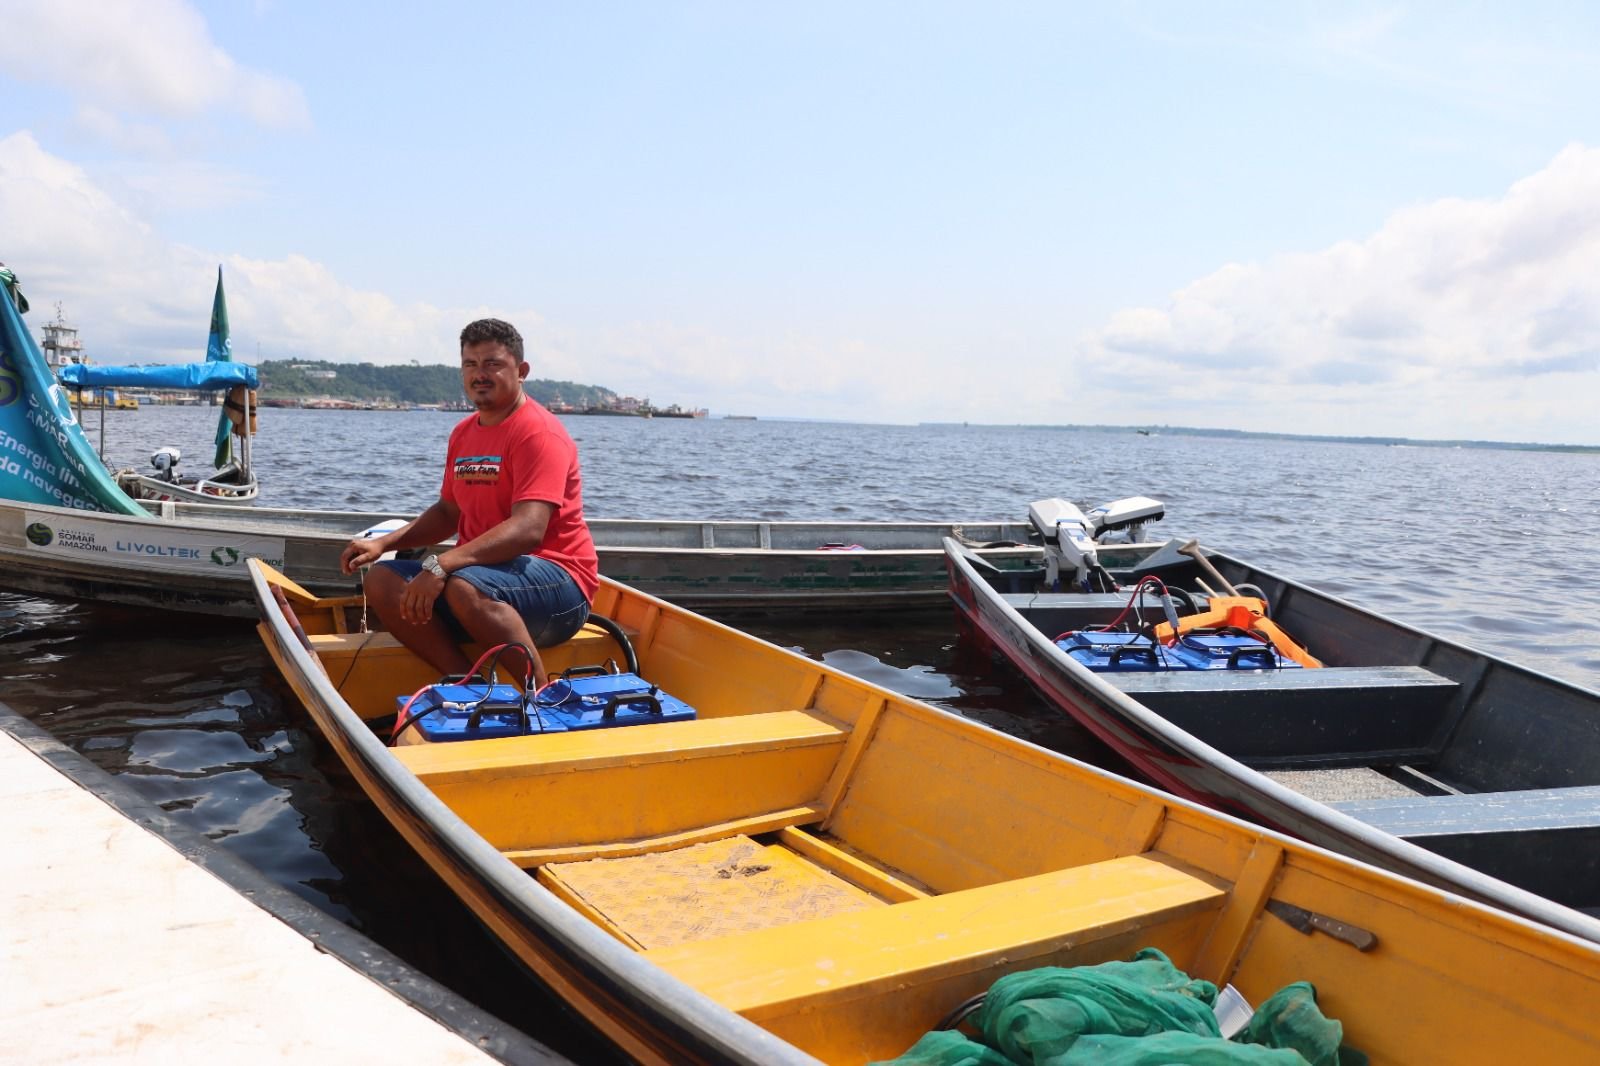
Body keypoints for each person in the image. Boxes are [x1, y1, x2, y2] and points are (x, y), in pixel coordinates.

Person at [340, 318, 598, 688]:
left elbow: (529, 529)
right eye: (470, 364)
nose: (480, 374)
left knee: (463, 585)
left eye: (493, 364)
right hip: (482, 580)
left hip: (560, 589)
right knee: (382, 580)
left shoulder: (538, 433)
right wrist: (383, 543)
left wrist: (441, 565)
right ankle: (469, 685)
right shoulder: (463, 434)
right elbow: (448, 513)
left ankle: (541, 696)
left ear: (521, 371)